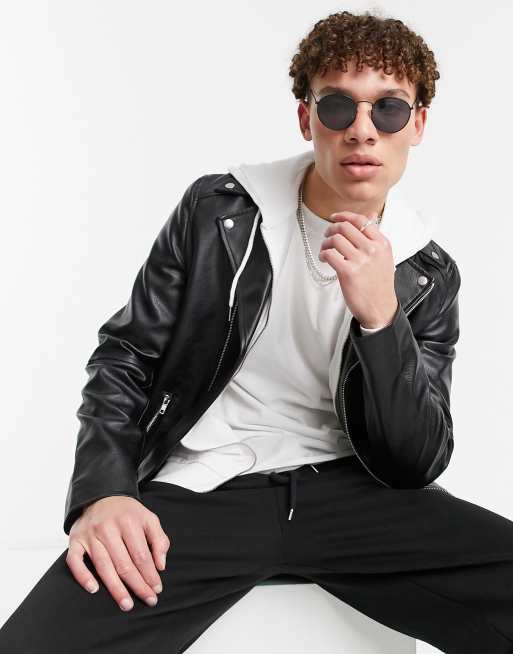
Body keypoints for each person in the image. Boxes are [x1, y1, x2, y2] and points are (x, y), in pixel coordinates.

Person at [2, 9, 513, 654]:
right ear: (306, 117)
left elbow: (416, 459)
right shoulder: (220, 210)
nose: (362, 130)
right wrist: (102, 493)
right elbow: (126, 355)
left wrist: (381, 319)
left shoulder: (428, 273)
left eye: (388, 109)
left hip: (354, 496)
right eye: (338, 107)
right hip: (207, 485)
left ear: (417, 125)